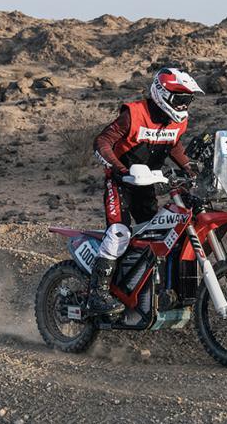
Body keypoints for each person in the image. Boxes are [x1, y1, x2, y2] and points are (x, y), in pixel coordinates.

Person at [87, 67, 203, 315]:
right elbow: (102, 142)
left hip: (147, 185)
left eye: (188, 100)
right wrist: (118, 169)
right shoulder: (133, 114)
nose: (184, 105)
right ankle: (97, 295)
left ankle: (147, 293)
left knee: (156, 237)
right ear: (162, 94)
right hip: (120, 184)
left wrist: (190, 168)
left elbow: (173, 146)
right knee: (119, 233)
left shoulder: (176, 122)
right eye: (180, 99)